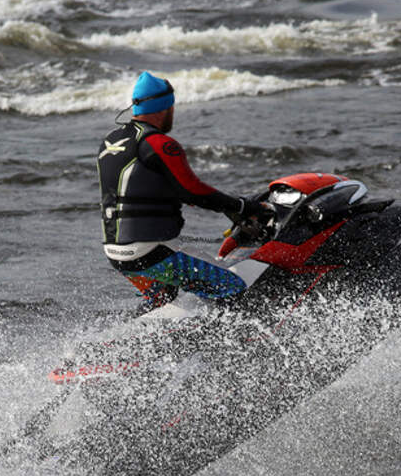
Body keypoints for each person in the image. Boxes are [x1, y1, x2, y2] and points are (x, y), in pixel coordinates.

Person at [97, 71, 272, 309]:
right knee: (232, 288)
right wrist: (242, 207)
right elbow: (193, 190)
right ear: (164, 107)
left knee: (163, 299)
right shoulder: (160, 143)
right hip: (150, 252)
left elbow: (139, 189)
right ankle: (240, 343)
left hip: (116, 253)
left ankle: (134, 341)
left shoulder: (111, 142)